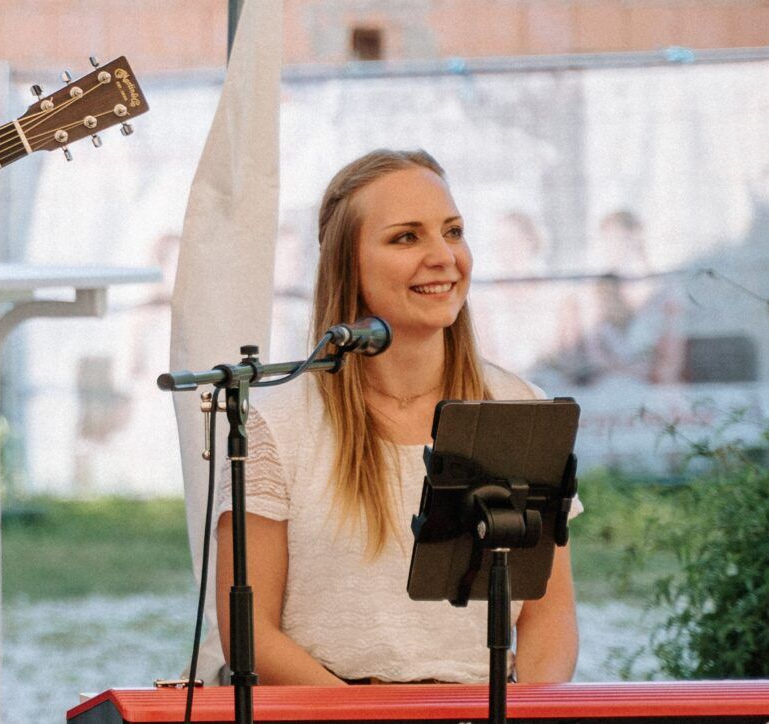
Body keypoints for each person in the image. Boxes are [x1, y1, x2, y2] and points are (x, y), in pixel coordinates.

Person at [211, 149, 578, 686]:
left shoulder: (519, 408)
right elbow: (250, 634)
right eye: (407, 237)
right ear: (347, 264)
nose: (443, 256)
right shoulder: (280, 426)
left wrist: (525, 714)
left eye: (452, 232)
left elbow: (549, 615)